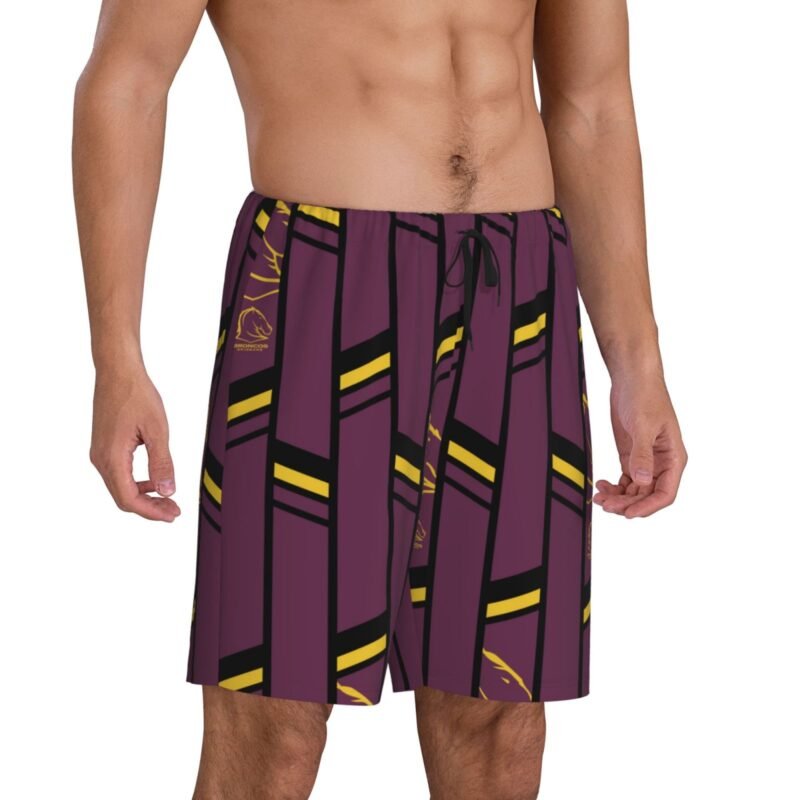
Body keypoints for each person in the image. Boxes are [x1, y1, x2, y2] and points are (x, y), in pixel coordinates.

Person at [73, 0, 688, 796]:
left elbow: (591, 103)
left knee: (500, 720)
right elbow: (126, 82)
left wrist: (638, 361)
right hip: (321, 283)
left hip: (519, 290)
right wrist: (116, 358)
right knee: (274, 721)